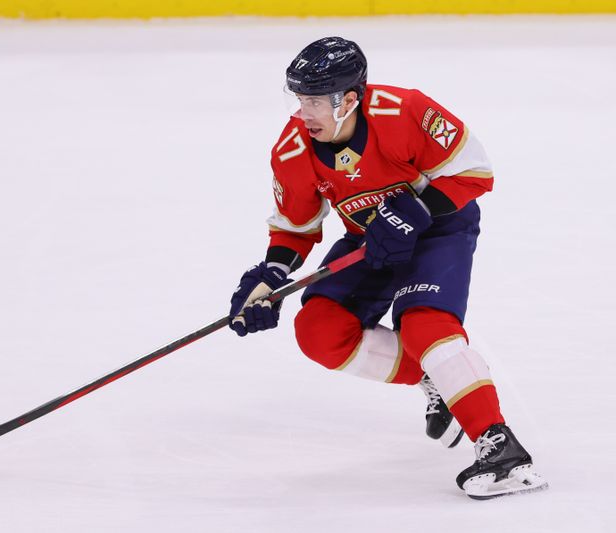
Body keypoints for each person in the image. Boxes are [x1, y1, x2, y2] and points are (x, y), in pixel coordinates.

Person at [227, 37, 547, 500]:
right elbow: (295, 230)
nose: (302, 112)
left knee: (424, 325)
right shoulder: (292, 151)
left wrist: (416, 209)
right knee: (318, 329)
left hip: (440, 229)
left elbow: (474, 172)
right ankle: (441, 378)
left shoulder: (405, 111)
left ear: (350, 99)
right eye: (299, 99)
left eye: (315, 101)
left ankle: (501, 449)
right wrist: (269, 278)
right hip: (368, 240)